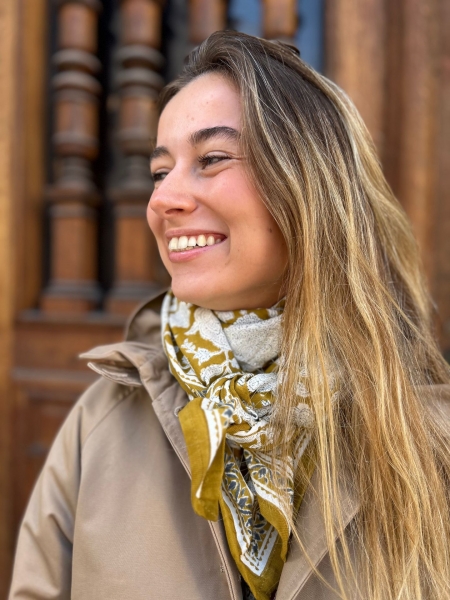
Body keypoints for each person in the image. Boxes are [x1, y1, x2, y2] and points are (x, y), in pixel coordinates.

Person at [8, 30, 450, 600]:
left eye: (212, 159)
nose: (162, 200)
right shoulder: (103, 422)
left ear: (308, 182)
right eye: (160, 171)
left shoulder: (429, 443)